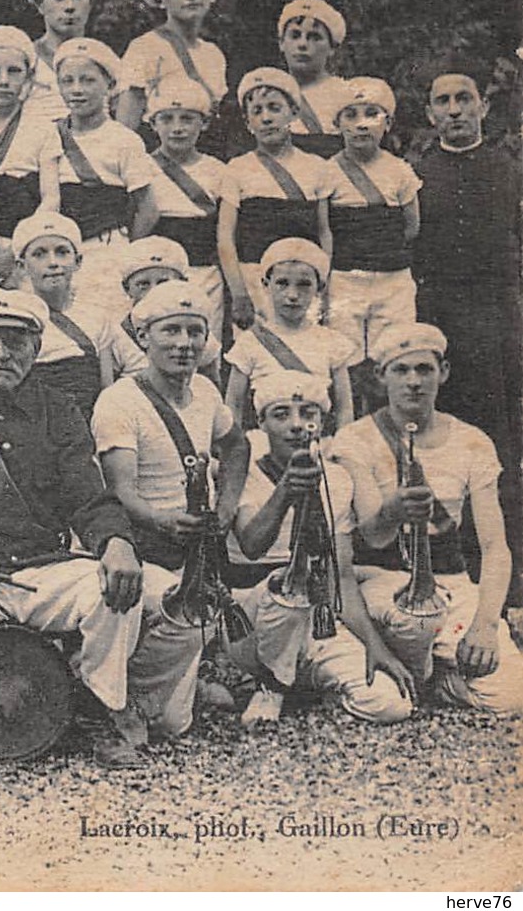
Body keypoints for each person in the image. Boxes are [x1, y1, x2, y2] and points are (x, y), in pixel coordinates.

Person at [0, 287, 188, 770]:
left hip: (40, 570)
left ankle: (98, 709)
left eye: (15, 342)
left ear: (37, 348)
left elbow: (89, 497)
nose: (1, 353)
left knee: (114, 590)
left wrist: (115, 544)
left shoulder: (60, 409)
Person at [332, 323, 523, 714]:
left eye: (425, 369)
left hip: (449, 581)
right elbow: (374, 534)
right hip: (383, 583)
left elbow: (494, 547)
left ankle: (436, 678)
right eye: (401, 371)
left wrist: (485, 625)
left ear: (444, 372)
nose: (414, 382)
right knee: (409, 623)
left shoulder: (472, 440)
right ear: (381, 376)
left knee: (511, 695)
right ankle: (403, 667)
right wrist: (394, 509)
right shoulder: (355, 439)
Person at [92, 281, 250, 740]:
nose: (184, 344)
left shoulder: (205, 392)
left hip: (193, 549)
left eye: (194, 332)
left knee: (173, 725)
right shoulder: (120, 401)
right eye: (171, 332)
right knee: (180, 610)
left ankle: (154, 693)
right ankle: (113, 702)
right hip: (144, 546)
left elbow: (236, 445)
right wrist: (164, 520)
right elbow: (120, 491)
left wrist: (227, 506)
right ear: (144, 338)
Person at [223, 370, 415, 726]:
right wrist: (285, 489)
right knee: (288, 584)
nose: (297, 426)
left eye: (308, 414)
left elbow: (339, 575)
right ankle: (271, 684)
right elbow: (251, 544)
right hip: (252, 618)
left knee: (389, 704)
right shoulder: (242, 469)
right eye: (281, 414)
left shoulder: (336, 479)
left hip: (311, 615)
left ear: (322, 422)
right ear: (261, 421)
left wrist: (375, 646)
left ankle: (302, 682)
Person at [411, 68, 523, 570]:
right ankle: (445, 564)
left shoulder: (508, 167)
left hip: (498, 320)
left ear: (484, 107)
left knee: (499, 440)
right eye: (443, 101)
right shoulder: (416, 173)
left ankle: (507, 570)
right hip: (439, 320)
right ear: (430, 113)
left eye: (464, 99)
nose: (454, 110)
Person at [318, 77, 422, 369]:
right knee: (344, 356)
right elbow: (324, 230)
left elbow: (411, 226)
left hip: (393, 281)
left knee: (393, 354)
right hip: (345, 280)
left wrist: (382, 252)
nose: (361, 124)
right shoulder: (328, 172)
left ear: (387, 124)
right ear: (337, 124)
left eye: (371, 114)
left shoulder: (400, 171)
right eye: (350, 115)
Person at [49, 37, 159, 309]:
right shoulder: (49, 134)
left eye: (87, 81)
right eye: (68, 81)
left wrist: (124, 253)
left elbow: (148, 208)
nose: (76, 90)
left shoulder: (124, 140)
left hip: (106, 251)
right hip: (58, 253)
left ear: (110, 86)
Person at [219, 68, 333, 328]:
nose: (266, 118)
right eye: (257, 111)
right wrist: (239, 294)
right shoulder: (237, 168)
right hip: (254, 279)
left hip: (303, 281)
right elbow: (226, 237)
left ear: (293, 113)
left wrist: (323, 289)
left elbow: (324, 232)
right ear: (248, 123)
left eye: (274, 108)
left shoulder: (316, 167)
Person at [223, 238, 358, 430]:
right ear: (265, 284)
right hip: (266, 446)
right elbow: (234, 406)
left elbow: (345, 409)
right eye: (282, 283)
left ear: (319, 288)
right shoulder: (250, 342)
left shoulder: (332, 342)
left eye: (303, 285)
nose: (293, 295)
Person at [131, 74, 227, 335]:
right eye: (166, 119)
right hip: (157, 272)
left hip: (204, 273)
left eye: (187, 118)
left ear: (204, 123)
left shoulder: (217, 170)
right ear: (152, 123)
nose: (177, 128)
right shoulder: (141, 166)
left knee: (205, 339)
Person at [0, 25, 62, 279]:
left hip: (23, 248)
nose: (4, 80)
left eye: (14, 71)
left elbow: (51, 198)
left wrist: (15, 251)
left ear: (29, 77)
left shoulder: (42, 128)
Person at [115, 0, 228, 152]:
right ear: (162, 0)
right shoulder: (145, 47)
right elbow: (125, 130)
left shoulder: (214, 55)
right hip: (158, 165)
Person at [12, 212, 116, 420]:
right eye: (39, 254)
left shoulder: (96, 316)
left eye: (61, 252)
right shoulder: (15, 315)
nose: (52, 262)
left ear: (78, 261)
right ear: (22, 266)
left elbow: (107, 392)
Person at [106, 236, 222, 382]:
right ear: (127, 288)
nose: (153, 291)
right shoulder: (115, 336)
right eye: (143, 284)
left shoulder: (195, 334)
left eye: (163, 282)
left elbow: (212, 387)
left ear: (183, 283)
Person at [20, 0, 104, 124]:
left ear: (90, 4)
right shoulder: (24, 59)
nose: (69, 6)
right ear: (40, 5)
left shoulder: (105, 59)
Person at [275, 0, 353, 158]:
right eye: (295, 35)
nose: (302, 44)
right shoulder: (267, 94)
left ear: (332, 48)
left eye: (314, 37)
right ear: (281, 43)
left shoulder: (346, 95)